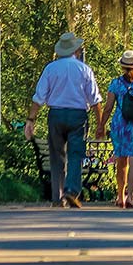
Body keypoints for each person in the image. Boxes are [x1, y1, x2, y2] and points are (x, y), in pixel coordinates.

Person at [23, 32, 102, 208]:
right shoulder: (84, 69)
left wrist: (31, 119)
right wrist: (100, 124)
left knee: (56, 156)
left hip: (56, 115)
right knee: (75, 155)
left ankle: (57, 197)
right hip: (78, 116)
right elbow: (95, 100)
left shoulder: (51, 69)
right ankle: (71, 191)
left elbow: (39, 97)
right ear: (76, 50)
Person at [98, 50, 133, 209]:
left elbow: (108, 108)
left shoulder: (115, 84)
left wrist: (101, 125)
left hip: (121, 125)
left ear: (122, 66)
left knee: (122, 161)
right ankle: (130, 198)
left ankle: (120, 196)